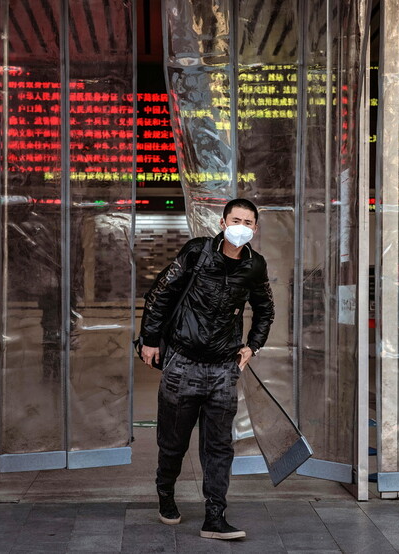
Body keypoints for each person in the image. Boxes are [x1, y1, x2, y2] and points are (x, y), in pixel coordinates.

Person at [138, 198, 275, 540]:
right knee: (173, 442)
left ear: (255, 229)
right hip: (182, 363)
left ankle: (215, 515)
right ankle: (165, 493)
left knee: (218, 446)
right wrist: (149, 340)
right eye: (236, 219)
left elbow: (265, 310)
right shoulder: (197, 252)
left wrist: (252, 346)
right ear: (223, 223)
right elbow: (160, 294)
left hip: (222, 370)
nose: (241, 225)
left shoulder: (255, 266)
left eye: (248, 221)